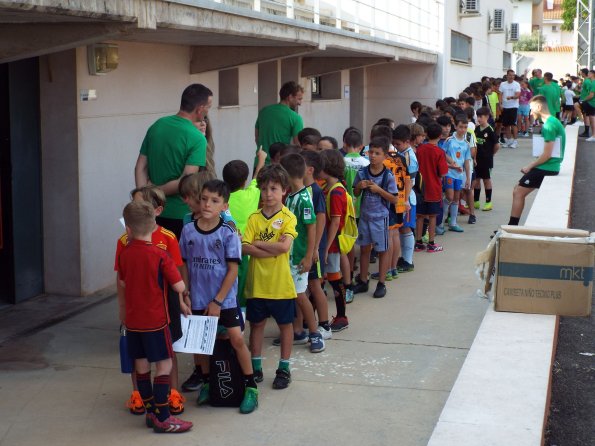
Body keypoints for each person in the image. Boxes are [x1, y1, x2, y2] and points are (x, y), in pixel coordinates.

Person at [178, 180, 258, 414]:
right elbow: (184, 263)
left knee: (237, 340)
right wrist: (186, 292)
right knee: (200, 345)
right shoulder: (188, 230)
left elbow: (233, 269)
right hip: (198, 299)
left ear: (225, 205)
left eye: (214, 201)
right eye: (203, 199)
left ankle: (250, 387)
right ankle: (206, 382)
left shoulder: (228, 232)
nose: (207, 204)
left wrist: (218, 301)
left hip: (224, 300)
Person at [117, 200, 193, 433]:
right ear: (153, 227)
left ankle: (150, 413)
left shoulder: (125, 253)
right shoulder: (160, 255)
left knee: (141, 367)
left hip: (133, 322)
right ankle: (164, 416)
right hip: (156, 321)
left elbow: (122, 280)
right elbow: (179, 286)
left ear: (128, 229)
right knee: (164, 366)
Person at [242, 164, 298, 389]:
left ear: (284, 190)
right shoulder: (254, 218)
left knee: (286, 325)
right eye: (264, 189)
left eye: (274, 189)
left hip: (280, 285)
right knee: (256, 326)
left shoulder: (288, 217)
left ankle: (284, 368)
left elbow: (284, 248)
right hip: (257, 285)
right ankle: (255, 367)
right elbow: (244, 247)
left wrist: (258, 243)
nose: (268, 194)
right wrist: (268, 247)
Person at [135, 83, 213, 239]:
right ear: (200, 109)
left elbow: (140, 167)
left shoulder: (157, 125)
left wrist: (145, 197)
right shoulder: (197, 138)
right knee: (177, 263)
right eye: (208, 107)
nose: (208, 112)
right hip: (180, 214)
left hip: (151, 212)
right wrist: (153, 194)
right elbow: (186, 182)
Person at [278, 153, 325, 353]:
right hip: (288, 256)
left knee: (300, 295)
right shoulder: (290, 196)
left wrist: (309, 255)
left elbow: (311, 226)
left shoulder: (305, 199)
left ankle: (315, 333)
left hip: (299, 258)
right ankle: (297, 331)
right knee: (292, 295)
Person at [351, 136, 398, 298]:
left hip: (380, 218)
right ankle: (363, 280)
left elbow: (394, 199)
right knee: (364, 248)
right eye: (370, 152)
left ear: (385, 156)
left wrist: (379, 190)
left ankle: (381, 283)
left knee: (382, 250)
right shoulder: (362, 172)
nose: (372, 156)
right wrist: (359, 186)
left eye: (377, 153)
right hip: (364, 216)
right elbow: (355, 192)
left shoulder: (388, 176)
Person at [508, 95, 565, 225]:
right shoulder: (553, 121)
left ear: (539, 107)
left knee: (518, 192)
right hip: (548, 166)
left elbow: (547, 154)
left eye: (532, 109)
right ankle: (512, 225)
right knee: (518, 189)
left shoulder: (549, 126)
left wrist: (530, 166)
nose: (531, 112)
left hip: (547, 167)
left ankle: (511, 227)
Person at [301, 150, 332, 338]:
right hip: (303, 247)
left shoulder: (316, 192)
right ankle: (305, 325)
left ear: (310, 170)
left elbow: (320, 220)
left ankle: (324, 325)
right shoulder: (300, 190)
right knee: (304, 287)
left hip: (314, 249)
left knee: (314, 285)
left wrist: (316, 249)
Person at [318, 149, 349, 331]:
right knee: (324, 280)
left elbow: (336, 222)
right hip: (328, 244)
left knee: (335, 280)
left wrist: (326, 248)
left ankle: (342, 316)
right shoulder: (328, 187)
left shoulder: (336, 192)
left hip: (332, 245)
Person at [415, 122, 448, 253]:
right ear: (440, 135)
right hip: (434, 188)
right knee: (432, 216)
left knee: (420, 216)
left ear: (427, 134)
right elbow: (442, 172)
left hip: (420, 188)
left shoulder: (420, 149)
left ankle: (418, 242)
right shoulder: (440, 152)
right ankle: (431, 243)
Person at [255, 81, 304, 163]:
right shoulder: (296, 117)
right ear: (290, 97)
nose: (300, 103)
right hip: (279, 167)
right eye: (299, 99)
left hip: (259, 164)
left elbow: (257, 138)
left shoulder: (264, 111)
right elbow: (298, 146)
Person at [393, 125, 418, 273]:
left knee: (406, 227)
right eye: (394, 143)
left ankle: (408, 260)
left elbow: (411, 181)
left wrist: (406, 200)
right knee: (402, 228)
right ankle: (404, 258)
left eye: (398, 144)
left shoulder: (409, 157)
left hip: (407, 198)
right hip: (402, 197)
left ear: (407, 142)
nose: (396, 147)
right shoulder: (402, 154)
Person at [442, 115, 472, 232]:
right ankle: (441, 222)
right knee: (449, 196)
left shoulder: (466, 143)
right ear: (455, 126)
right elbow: (442, 154)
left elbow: (467, 162)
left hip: (459, 175)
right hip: (449, 173)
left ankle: (453, 223)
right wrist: (452, 163)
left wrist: (468, 178)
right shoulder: (449, 140)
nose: (463, 129)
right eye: (461, 127)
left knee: (456, 198)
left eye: (465, 127)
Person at [473, 107, 500, 212]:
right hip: (476, 160)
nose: (479, 119)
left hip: (486, 160)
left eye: (481, 117)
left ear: (487, 117)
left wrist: (490, 154)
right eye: (477, 117)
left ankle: (488, 202)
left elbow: (497, 145)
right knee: (476, 180)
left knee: (486, 180)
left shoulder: (490, 130)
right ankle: (476, 201)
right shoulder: (476, 129)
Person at [500, 69, 521, 148]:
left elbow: (518, 95)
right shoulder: (503, 84)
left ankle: (515, 141)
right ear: (507, 75)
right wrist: (500, 104)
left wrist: (512, 97)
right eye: (510, 75)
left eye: (513, 75)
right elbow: (500, 94)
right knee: (506, 125)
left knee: (513, 124)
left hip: (513, 106)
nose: (512, 77)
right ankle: (508, 140)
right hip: (505, 106)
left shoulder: (516, 84)